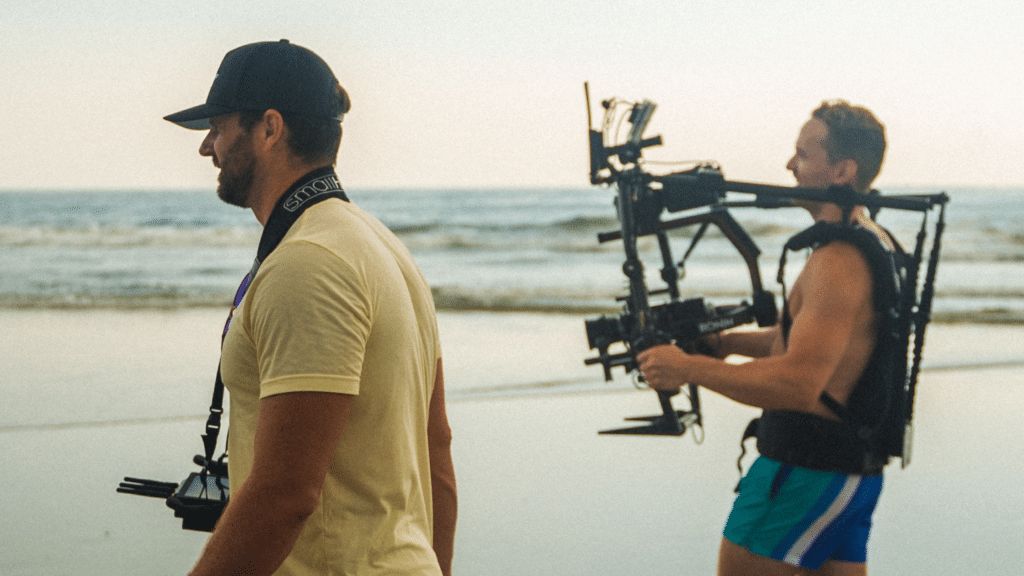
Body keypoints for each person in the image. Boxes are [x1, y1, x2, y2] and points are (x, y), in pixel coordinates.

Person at [163, 39, 457, 576]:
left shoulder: (308, 262)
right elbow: (438, 456)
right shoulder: (384, 247)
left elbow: (285, 494)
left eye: (220, 127)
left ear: (269, 129)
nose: (208, 147)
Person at [638, 101, 892, 576]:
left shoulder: (838, 260)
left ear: (841, 170)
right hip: (848, 474)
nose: (789, 166)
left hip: (803, 473)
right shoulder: (873, 239)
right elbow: (815, 343)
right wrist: (726, 344)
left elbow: (798, 383)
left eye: (802, 154)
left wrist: (688, 368)